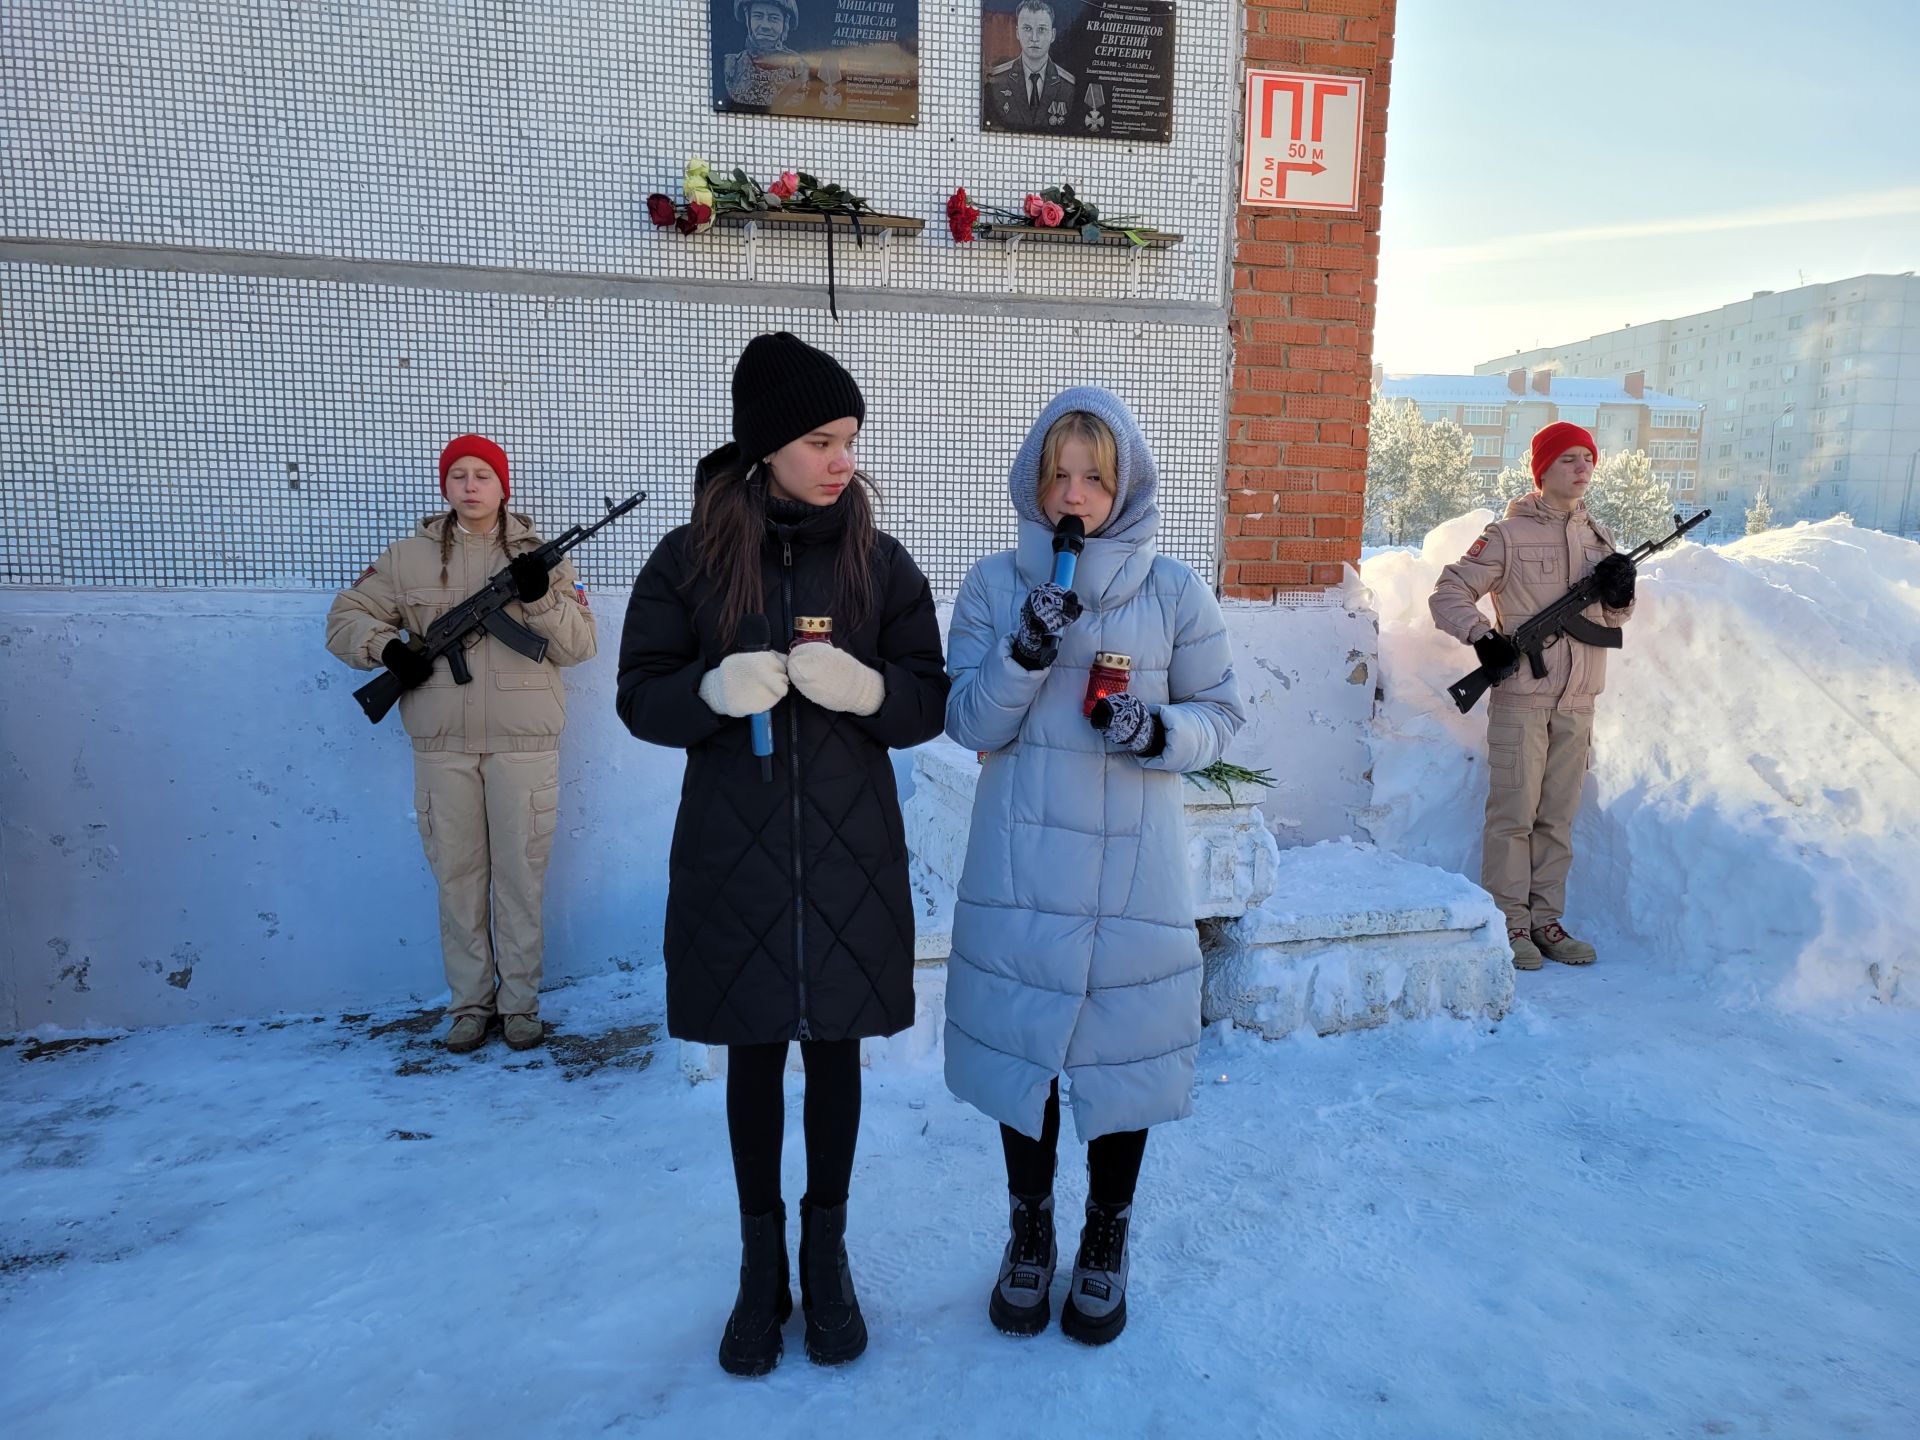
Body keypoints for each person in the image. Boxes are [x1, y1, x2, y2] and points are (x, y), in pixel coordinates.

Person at [615, 333, 948, 1375]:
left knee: (836, 1053)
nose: (841, 459)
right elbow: (640, 694)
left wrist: (873, 692)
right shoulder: (689, 558)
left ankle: (826, 1251)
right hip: (735, 854)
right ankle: (762, 1268)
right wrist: (711, 694)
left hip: (849, 857)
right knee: (753, 1055)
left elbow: (928, 697)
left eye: (849, 438)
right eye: (818, 439)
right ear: (764, 446)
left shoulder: (879, 562)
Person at [942, 387, 1246, 1345]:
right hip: (1023, 863)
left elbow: (1223, 714)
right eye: (1058, 476)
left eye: (1095, 478)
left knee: (1123, 1054)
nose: (1075, 495)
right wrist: (1025, 651)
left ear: (1128, 486)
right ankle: (1030, 1232)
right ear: (1035, 483)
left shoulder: (1174, 593)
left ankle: (1105, 1238)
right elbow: (969, 722)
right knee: (1024, 1046)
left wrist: (1154, 727)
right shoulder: (995, 586)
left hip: (1132, 874)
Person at [325, 436, 597, 1054]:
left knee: (521, 881)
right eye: (459, 476)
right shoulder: (406, 558)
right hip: (442, 746)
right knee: (458, 878)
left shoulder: (545, 561)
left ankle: (520, 1006)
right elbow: (345, 619)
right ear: (445, 487)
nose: (471, 486)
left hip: (524, 747)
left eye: (483, 475)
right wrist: (388, 649)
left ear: (504, 487)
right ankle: (469, 1007)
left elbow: (581, 646)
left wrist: (541, 598)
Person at [1429, 421, 1638, 970]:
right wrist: (1483, 636)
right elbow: (1448, 592)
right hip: (1523, 698)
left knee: (1558, 818)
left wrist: (1621, 592)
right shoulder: (1507, 536)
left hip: (1578, 702)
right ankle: (1510, 922)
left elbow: (1613, 618)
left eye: (1587, 458)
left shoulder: (1600, 537)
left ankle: (1547, 921)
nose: (1581, 467)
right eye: (1568, 458)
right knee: (1513, 815)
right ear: (1542, 469)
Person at [983, 0, 1078, 132]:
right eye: (1027, 29)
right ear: (1017, 33)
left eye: (1041, 29)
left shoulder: (1069, 87)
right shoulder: (997, 81)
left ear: (1053, 35)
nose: (1034, 37)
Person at [723, 0, 810, 109]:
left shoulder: (799, 69)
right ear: (748, 19)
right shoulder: (732, 65)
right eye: (758, 16)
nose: (765, 26)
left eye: (774, 18)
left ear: (785, 23)